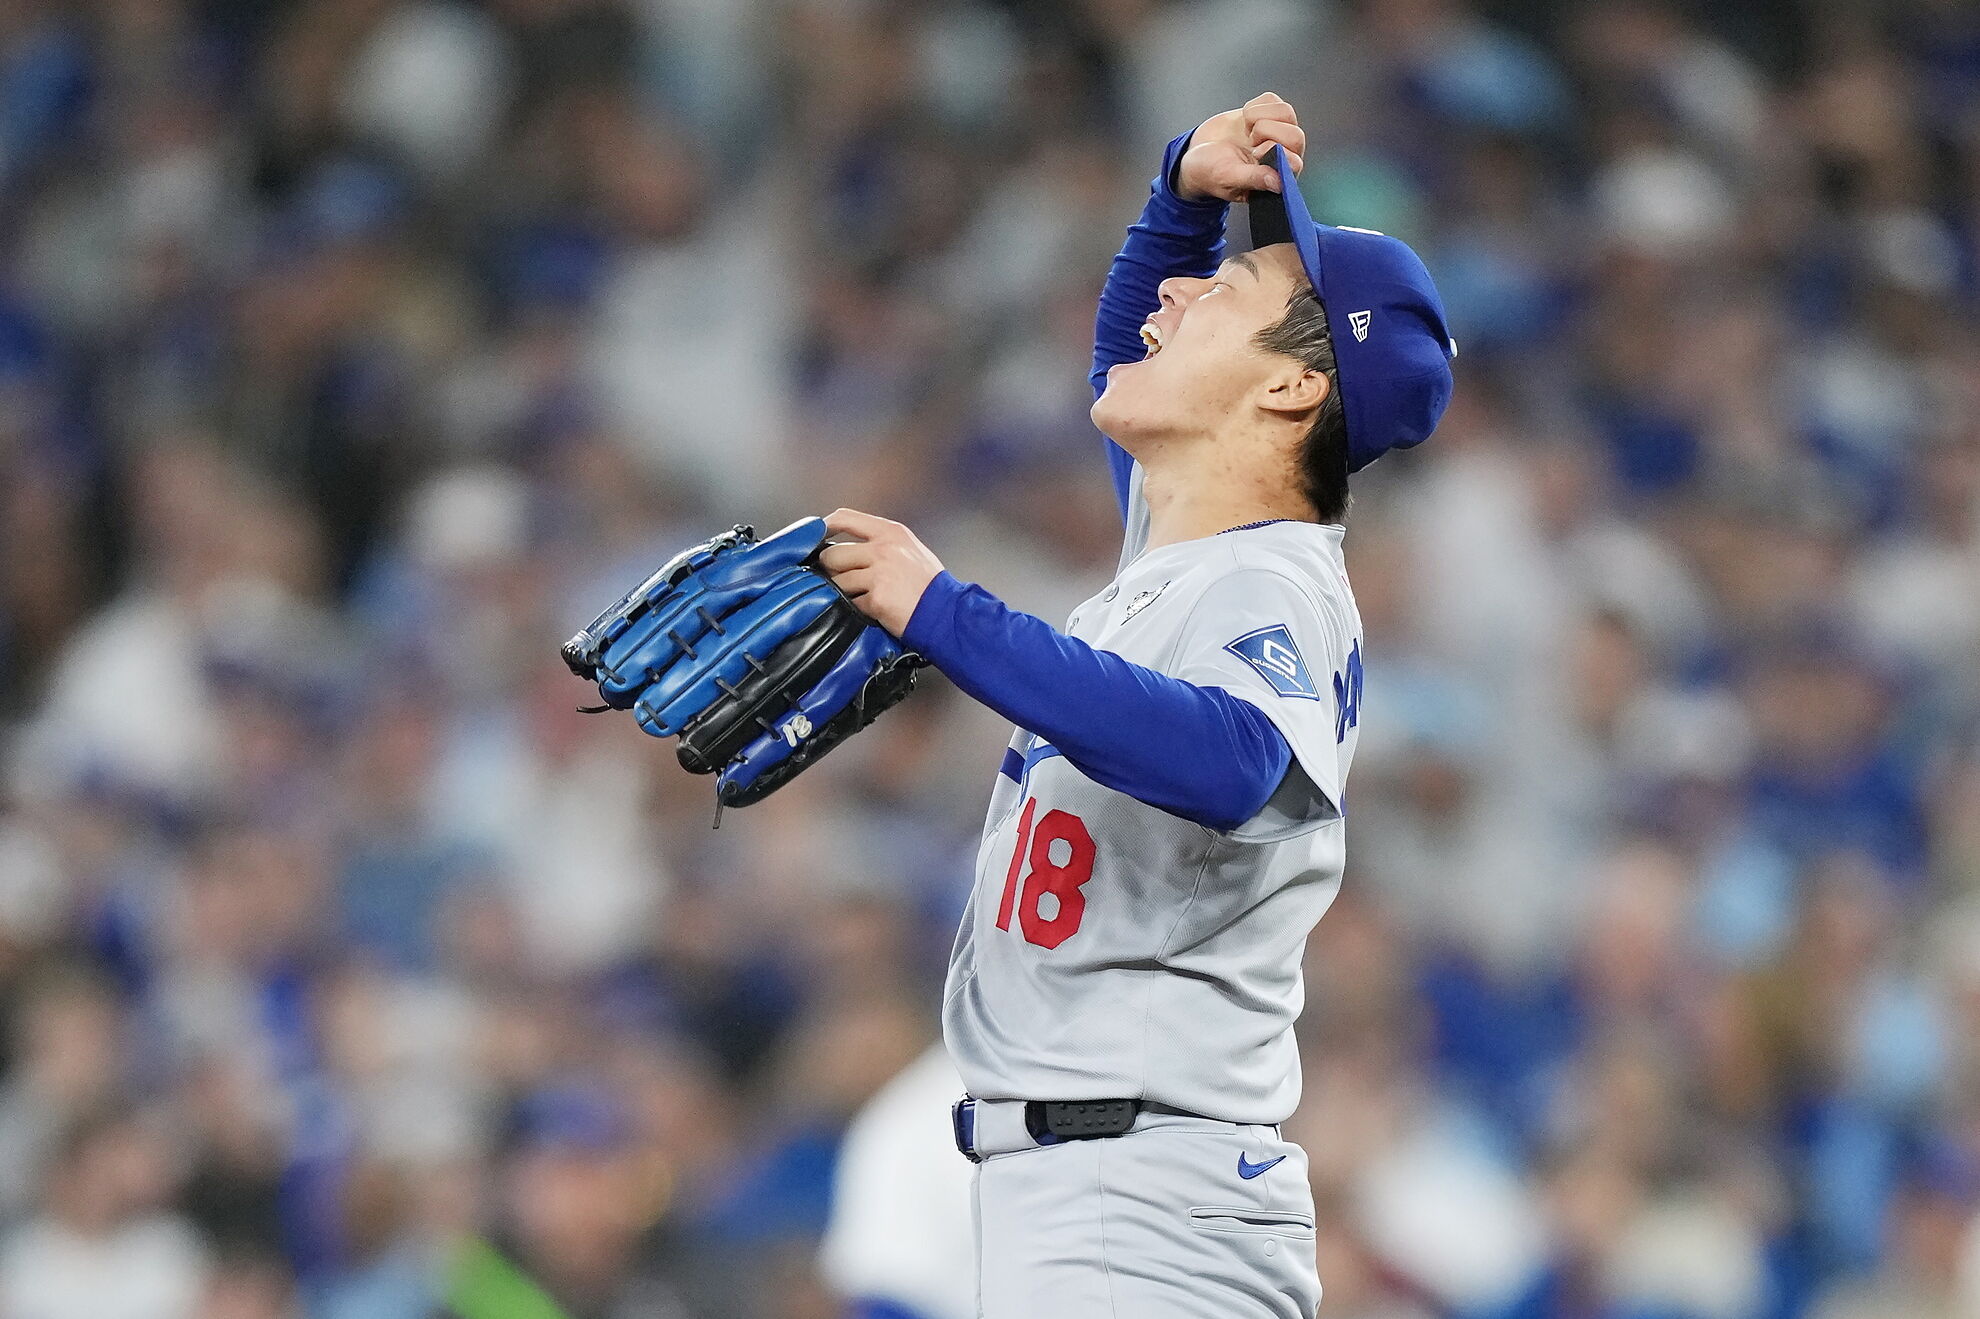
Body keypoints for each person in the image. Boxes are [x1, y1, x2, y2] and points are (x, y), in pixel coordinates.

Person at [817, 92, 1455, 1317]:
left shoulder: (1275, 579)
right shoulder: (1190, 552)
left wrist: (946, 612)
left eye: (1220, 293)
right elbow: (1124, 351)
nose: (1175, 295)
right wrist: (1178, 203)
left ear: (1285, 397)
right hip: (1096, 1187)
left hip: (1145, 1201)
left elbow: (1236, 757)